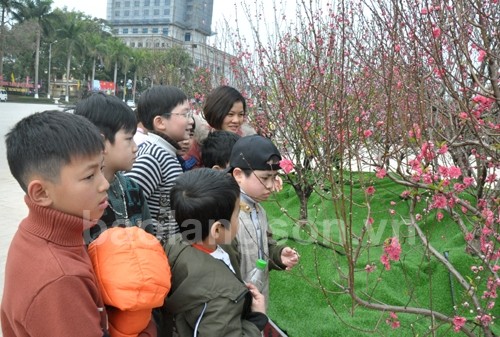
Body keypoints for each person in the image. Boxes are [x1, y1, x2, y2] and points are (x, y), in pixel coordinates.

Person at [1, 110, 111, 336]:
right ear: (40, 193)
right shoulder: (61, 279)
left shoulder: (34, 233)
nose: (104, 184)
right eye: (89, 176)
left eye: (101, 169)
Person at [158, 168, 268, 336]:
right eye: (236, 213)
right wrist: (257, 320)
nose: (238, 218)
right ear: (217, 230)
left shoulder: (176, 244)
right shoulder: (221, 299)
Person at [225, 135, 300, 302]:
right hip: (234, 305)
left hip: (256, 300)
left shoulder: (258, 209)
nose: (271, 185)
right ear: (238, 174)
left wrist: (277, 255)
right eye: (265, 178)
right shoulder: (226, 215)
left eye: (274, 177)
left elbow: (264, 244)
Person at [74, 92, 153, 242]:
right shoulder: (80, 199)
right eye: (129, 139)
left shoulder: (133, 189)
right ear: (100, 142)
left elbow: (149, 240)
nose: (135, 148)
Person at [126, 85, 193, 243]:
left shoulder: (167, 152)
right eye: (185, 114)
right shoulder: (153, 156)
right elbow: (128, 202)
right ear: (160, 122)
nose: (191, 121)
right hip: (154, 251)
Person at [186, 85, 254, 168]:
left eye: (240, 115)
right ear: (216, 113)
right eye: (230, 114)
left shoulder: (248, 142)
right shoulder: (199, 143)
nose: (236, 120)